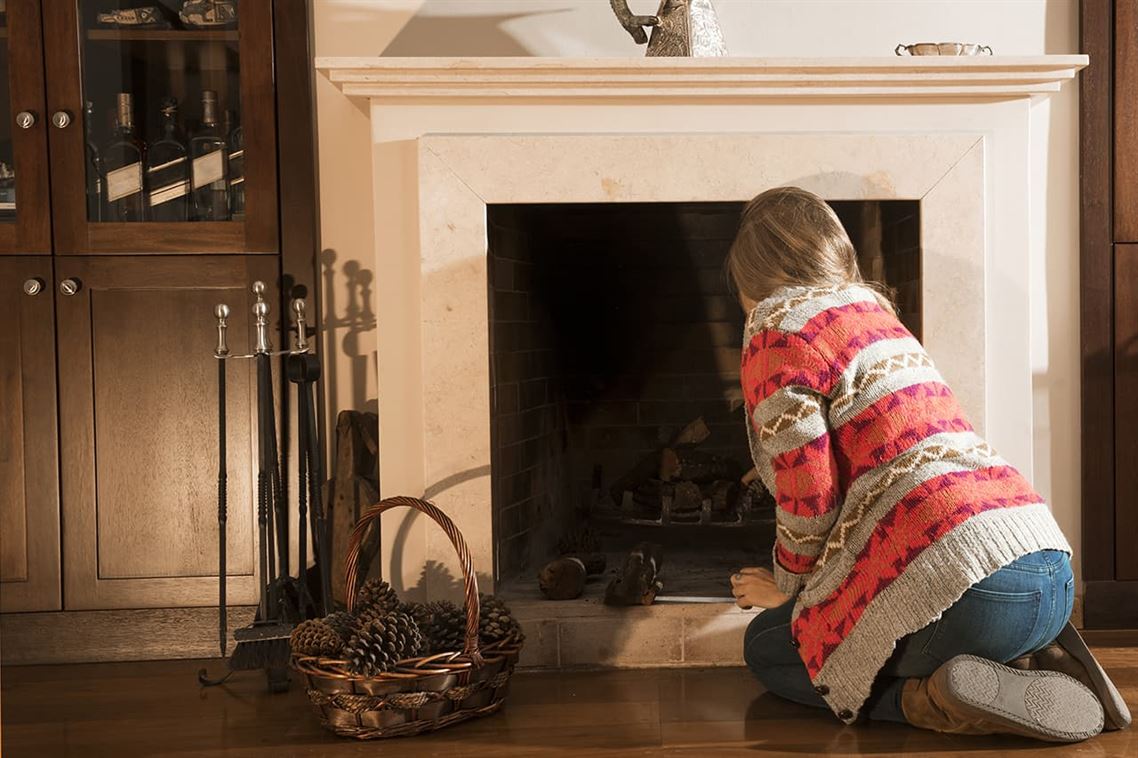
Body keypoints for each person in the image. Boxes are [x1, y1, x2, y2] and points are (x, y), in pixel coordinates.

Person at [727, 186, 1130, 742]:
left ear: (750, 275)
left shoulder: (777, 329)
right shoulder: (878, 317)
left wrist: (790, 594)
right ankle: (1039, 658)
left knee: (767, 651)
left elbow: (810, 496)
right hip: (1050, 574)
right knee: (848, 632)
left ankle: (937, 698)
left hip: (973, 598)